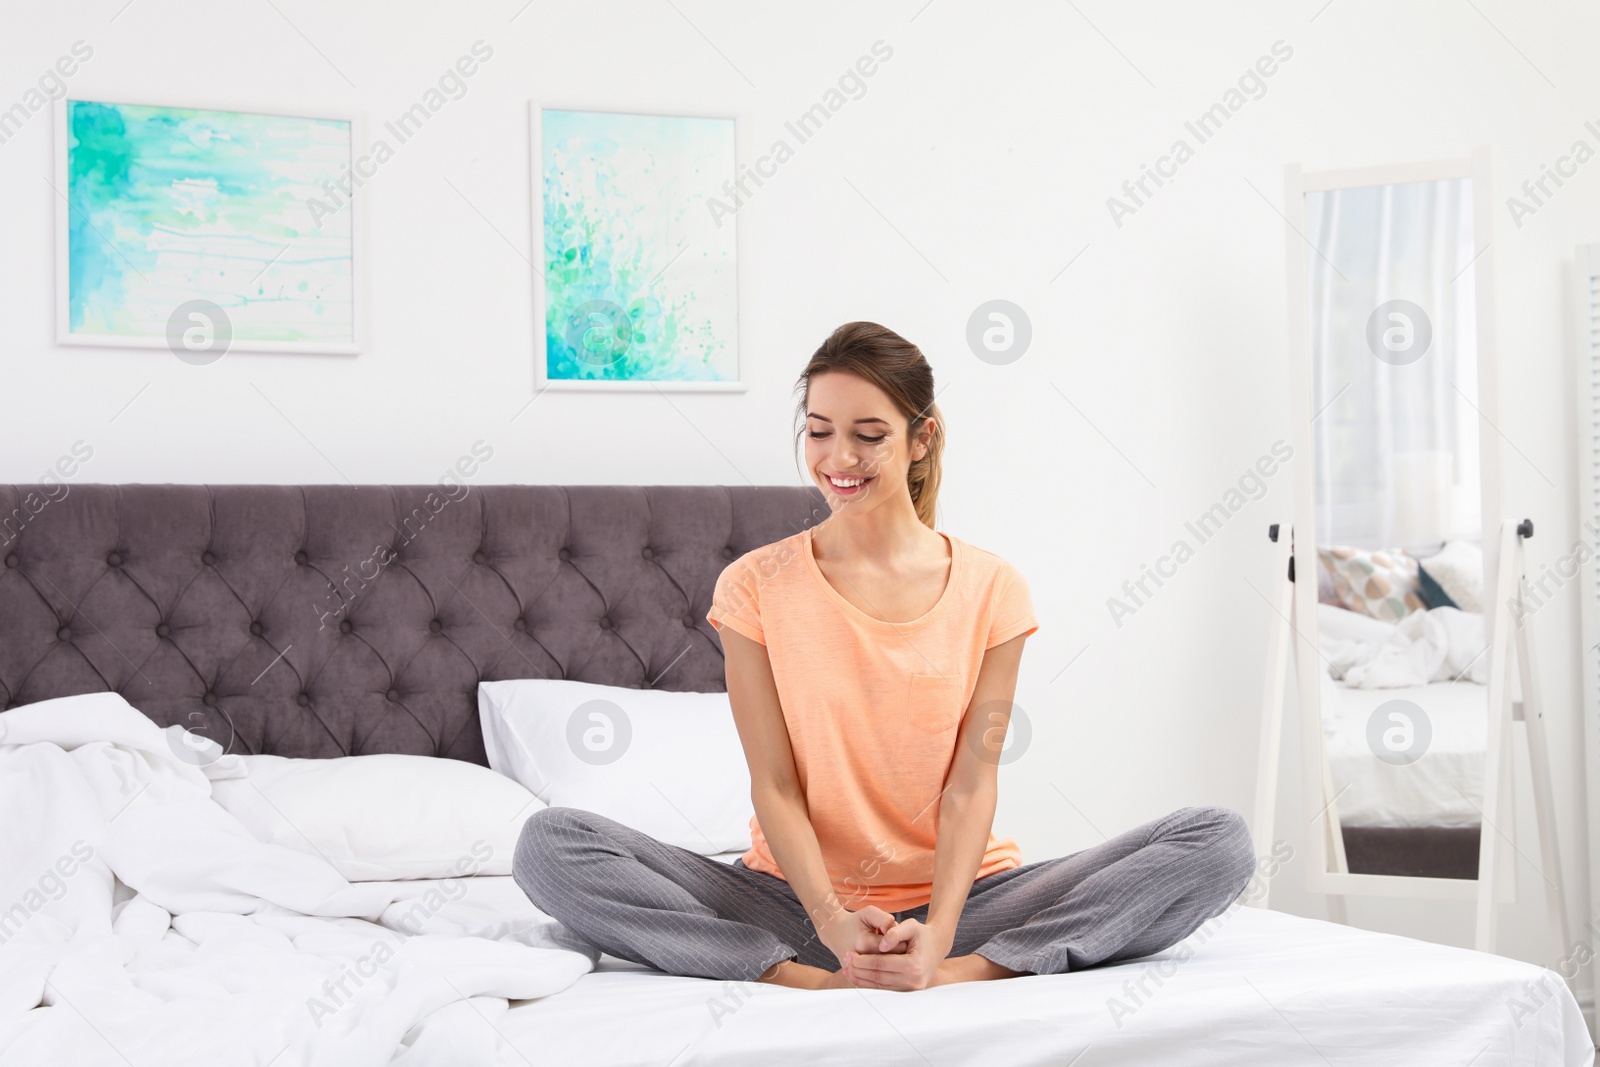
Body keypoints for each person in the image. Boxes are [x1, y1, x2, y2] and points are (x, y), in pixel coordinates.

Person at [514, 321, 1256, 991]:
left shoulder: (992, 587)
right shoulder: (753, 586)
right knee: (550, 844)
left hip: (967, 905)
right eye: (819, 431)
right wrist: (835, 923)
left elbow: (971, 785)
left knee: (1218, 841)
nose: (839, 458)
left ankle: (971, 970)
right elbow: (774, 784)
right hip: (790, 906)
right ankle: (794, 976)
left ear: (920, 438)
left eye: (869, 434)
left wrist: (940, 938)